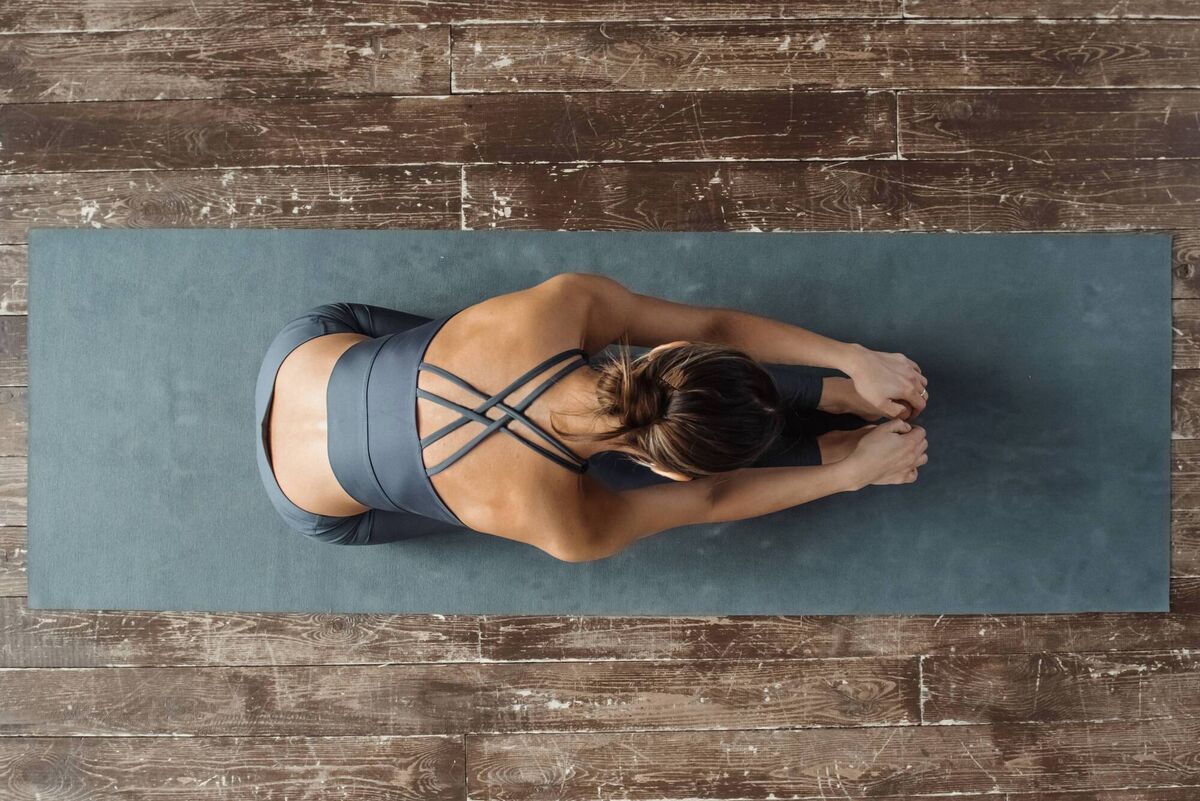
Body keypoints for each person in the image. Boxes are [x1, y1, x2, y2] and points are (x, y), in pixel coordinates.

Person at [255, 273, 929, 560]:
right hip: (313, 504)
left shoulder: (563, 307)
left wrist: (850, 360)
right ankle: (821, 419)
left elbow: (711, 489)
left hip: (308, 347)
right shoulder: (564, 523)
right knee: (451, 490)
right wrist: (844, 471)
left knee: (451, 414)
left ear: (664, 352)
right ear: (659, 463)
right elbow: (711, 495)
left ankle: (828, 402)